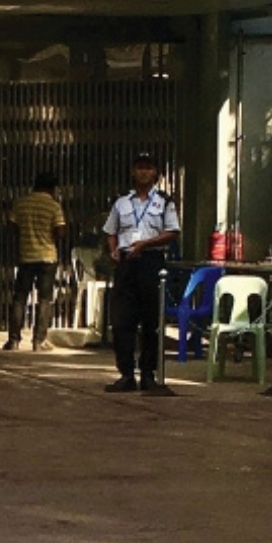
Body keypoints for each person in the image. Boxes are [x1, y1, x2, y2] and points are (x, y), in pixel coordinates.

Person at [102, 152, 180, 393]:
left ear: (155, 173)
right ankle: (126, 374)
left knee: (151, 321)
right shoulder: (121, 203)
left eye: (148, 167)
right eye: (139, 167)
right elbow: (111, 231)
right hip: (126, 264)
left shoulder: (165, 202)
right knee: (122, 320)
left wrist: (145, 244)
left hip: (151, 262)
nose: (144, 171)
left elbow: (173, 231)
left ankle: (148, 374)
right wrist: (114, 250)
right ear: (132, 172)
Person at [7, 171, 67, 351]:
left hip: (26, 256)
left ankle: (14, 340)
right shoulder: (54, 206)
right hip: (47, 257)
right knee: (44, 298)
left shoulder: (21, 203)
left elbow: (12, 226)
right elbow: (61, 232)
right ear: (52, 188)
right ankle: (38, 341)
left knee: (20, 297)